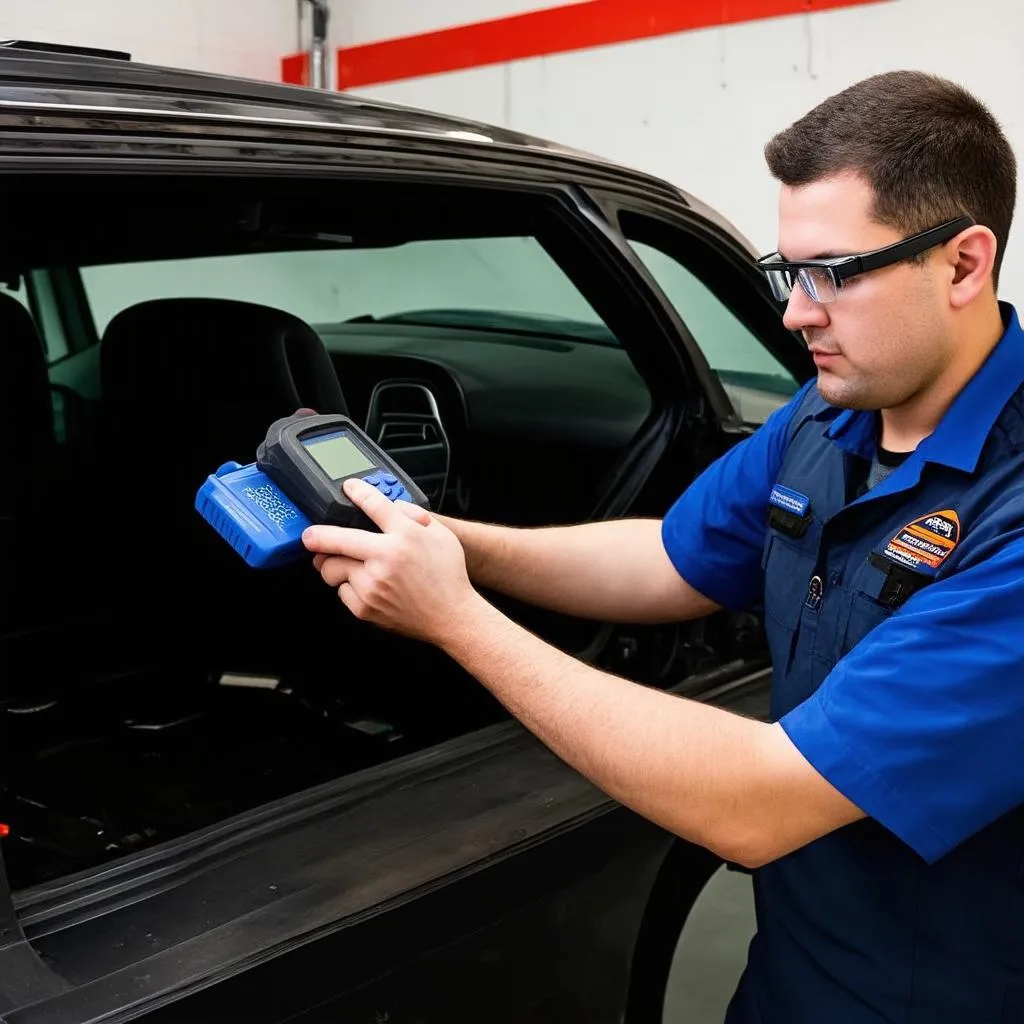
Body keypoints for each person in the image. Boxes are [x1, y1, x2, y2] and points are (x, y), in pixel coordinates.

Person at [302, 70, 1024, 1023]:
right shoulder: (829, 415)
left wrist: (455, 619)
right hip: (792, 979)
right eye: (786, 271)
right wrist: (445, 540)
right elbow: (670, 561)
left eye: (833, 275)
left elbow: (759, 803)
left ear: (965, 265)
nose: (795, 313)